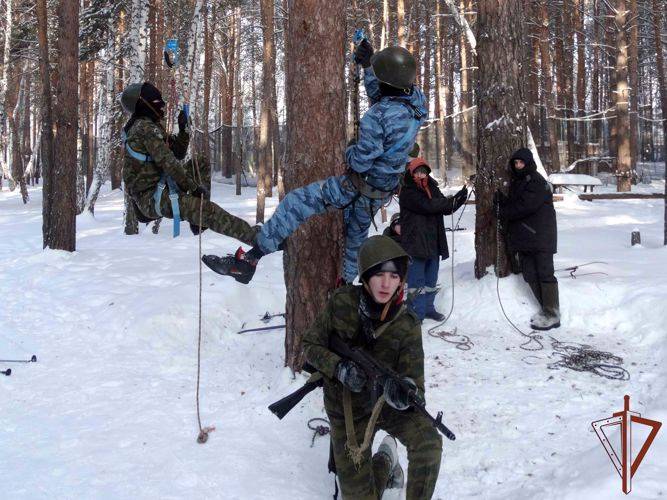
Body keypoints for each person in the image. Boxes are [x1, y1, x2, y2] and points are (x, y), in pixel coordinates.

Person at [201, 42, 428, 285]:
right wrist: (368, 67)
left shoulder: (377, 117)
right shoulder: (417, 103)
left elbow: (360, 162)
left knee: (295, 203)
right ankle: (344, 289)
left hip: (358, 186)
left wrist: (350, 148)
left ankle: (250, 260)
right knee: (354, 242)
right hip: (381, 191)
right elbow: (385, 96)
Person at [302, 235, 443, 500]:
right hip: (348, 408)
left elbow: (416, 386)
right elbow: (309, 345)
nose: (386, 283)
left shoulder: (406, 324)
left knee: (429, 443)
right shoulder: (342, 303)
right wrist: (339, 368)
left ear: (401, 280)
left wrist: (403, 395)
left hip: (386, 405)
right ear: (366, 276)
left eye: (394, 276)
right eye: (379, 274)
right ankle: (386, 460)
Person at [121, 81, 257, 243]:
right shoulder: (144, 128)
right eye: (157, 101)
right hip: (150, 199)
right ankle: (257, 238)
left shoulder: (152, 126)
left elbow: (178, 152)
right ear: (143, 105)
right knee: (207, 211)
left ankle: (198, 222)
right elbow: (170, 163)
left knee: (201, 162)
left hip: (161, 185)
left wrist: (183, 129)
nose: (162, 105)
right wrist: (193, 187)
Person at [494, 148, 560, 330]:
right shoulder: (519, 181)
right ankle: (545, 309)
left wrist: (502, 210)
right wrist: (502, 202)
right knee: (530, 273)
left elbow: (524, 206)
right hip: (526, 238)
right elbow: (517, 203)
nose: (518, 166)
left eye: (521, 162)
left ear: (528, 162)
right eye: (515, 163)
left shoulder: (536, 181)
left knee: (545, 273)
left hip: (541, 237)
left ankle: (553, 314)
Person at [399, 158, 468, 322]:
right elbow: (428, 206)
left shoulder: (433, 188)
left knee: (431, 280)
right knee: (416, 282)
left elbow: (445, 208)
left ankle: (429, 308)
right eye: (417, 172)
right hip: (415, 242)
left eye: (423, 172)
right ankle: (416, 313)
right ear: (411, 173)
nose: (420, 175)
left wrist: (458, 200)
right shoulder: (407, 192)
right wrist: (448, 202)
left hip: (433, 241)